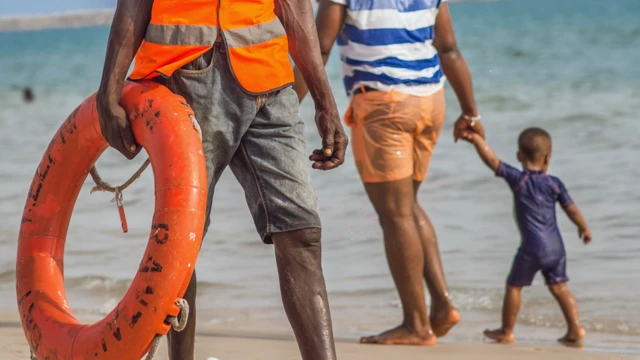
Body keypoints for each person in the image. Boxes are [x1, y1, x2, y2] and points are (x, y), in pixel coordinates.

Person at [96, 0, 348, 359]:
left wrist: (325, 99)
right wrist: (109, 89)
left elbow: (294, 6)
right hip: (182, 80)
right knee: (181, 244)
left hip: (269, 83)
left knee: (302, 232)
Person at [293, 0, 484, 346]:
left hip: (384, 105)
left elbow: (319, 48)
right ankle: (441, 307)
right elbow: (449, 48)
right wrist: (470, 112)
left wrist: (287, 107)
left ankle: (416, 325)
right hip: (430, 101)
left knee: (395, 214)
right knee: (406, 206)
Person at [459, 127, 591, 345]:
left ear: (519, 156)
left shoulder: (518, 179)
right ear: (548, 158)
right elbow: (572, 209)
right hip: (557, 248)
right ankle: (575, 328)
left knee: (514, 286)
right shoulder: (555, 184)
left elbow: (492, 161)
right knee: (560, 287)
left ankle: (506, 330)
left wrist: (475, 140)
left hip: (532, 248)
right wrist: (583, 228)